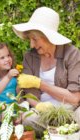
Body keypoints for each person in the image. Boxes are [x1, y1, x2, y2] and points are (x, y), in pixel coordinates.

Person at [12, 6, 80, 136]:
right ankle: (67, 130)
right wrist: (42, 108)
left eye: (35, 39)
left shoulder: (72, 54)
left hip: (70, 109)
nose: (31, 45)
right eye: (30, 39)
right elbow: (29, 95)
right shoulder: (30, 56)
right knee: (28, 119)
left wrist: (41, 84)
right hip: (42, 112)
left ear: (48, 37)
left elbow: (75, 98)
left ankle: (62, 128)